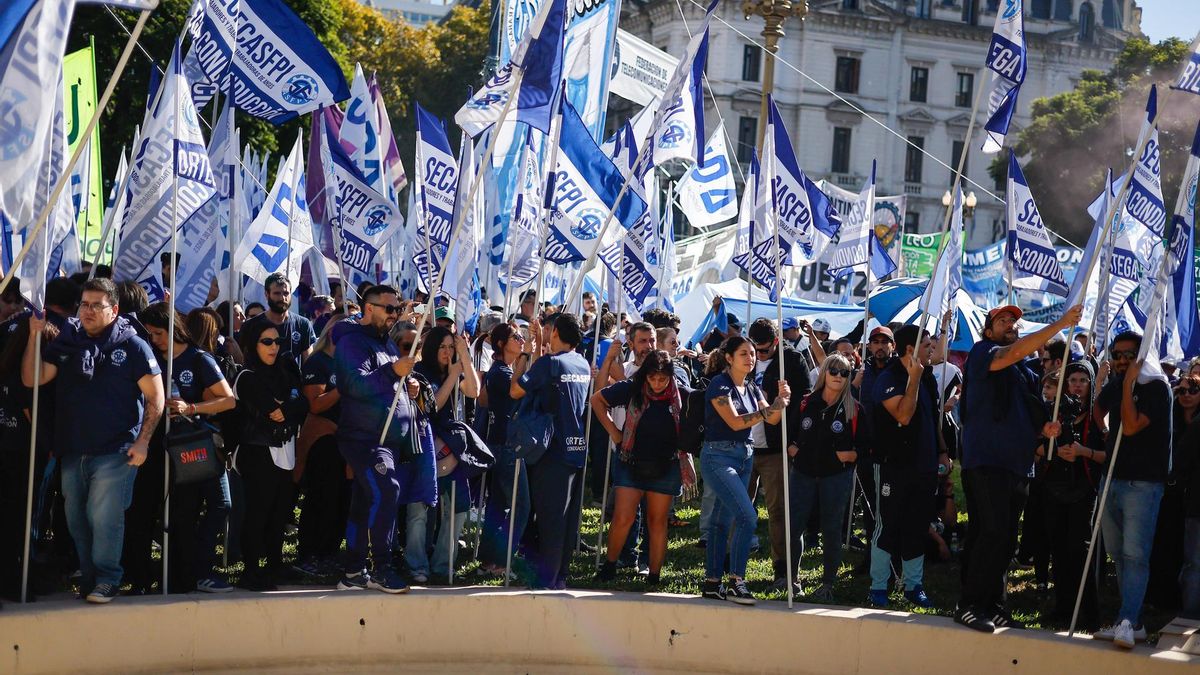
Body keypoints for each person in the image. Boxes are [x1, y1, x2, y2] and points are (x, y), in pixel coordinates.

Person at [22, 278, 164, 603]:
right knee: (76, 519)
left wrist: (143, 442)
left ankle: (107, 578)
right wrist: (33, 335)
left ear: (113, 310)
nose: (86, 311)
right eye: (83, 304)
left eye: (95, 305)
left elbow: (155, 398)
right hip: (73, 449)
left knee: (104, 517)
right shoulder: (69, 342)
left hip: (117, 451)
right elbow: (32, 378)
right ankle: (90, 578)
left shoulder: (133, 346)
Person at [956, 303, 1082, 633]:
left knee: (1008, 539)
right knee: (991, 531)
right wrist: (1061, 324)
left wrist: (1045, 429)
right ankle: (969, 604)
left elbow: (1031, 411)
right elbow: (1011, 354)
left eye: (1014, 321)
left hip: (1019, 465)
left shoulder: (1024, 371)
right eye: (1002, 320)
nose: (1010, 324)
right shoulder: (984, 352)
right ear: (988, 330)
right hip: (987, 460)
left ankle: (994, 605)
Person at [334, 285, 429, 593]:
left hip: (387, 439)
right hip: (364, 439)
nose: (394, 315)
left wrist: (408, 383)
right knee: (387, 490)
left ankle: (353, 570)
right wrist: (393, 371)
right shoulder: (351, 343)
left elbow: (389, 379)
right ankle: (382, 568)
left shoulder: (384, 343)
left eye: (396, 308)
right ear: (369, 308)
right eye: (389, 309)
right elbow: (354, 386)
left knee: (365, 502)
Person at [139, 302, 236, 593]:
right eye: (150, 334)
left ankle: (202, 567)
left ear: (173, 329)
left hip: (196, 444)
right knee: (180, 513)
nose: (154, 339)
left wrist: (191, 407)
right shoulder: (150, 358)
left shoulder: (198, 359)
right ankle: (182, 574)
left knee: (221, 503)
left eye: (158, 333)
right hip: (161, 446)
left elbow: (228, 400)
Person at [1092, 331, 1172, 648]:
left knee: (1135, 556)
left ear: (1141, 357)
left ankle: (1127, 619)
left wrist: (1127, 384)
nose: (1122, 360)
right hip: (1112, 479)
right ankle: (1132, 621)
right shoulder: (1114, 384)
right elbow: (1098, 410)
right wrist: (1104, 432)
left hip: (1143, 484)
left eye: (1129, 355)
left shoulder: (1156, 387)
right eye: (1118, 354)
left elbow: (1133, 423)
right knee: (1117, 554)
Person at [592, 350, 696, 586]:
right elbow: (597, 400)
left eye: (662, 379)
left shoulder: (683, 395)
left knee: (657, 521)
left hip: (666, 466)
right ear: (645, 376)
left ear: (671, 376)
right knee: (623, 517)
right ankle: (609, 566)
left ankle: (654, 576)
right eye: (652, 378)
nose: (657, 384)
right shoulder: (631, 388)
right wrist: (614, 434)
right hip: (630, 462)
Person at [700, 336, 790, 606]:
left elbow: (772, 417)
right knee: (748, 517)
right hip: (718, 457)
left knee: (720, 522)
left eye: (752, 353)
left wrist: (781, 400)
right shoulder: (719, 385)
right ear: (729, 357)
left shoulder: (751, 387)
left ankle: (712, 583)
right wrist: (769, 410)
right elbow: (736, 422)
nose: (750, 358)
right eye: (744, 354)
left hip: (745, 456)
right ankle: (736, 582)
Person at [511, 312, 591, 589]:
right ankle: (561, 575)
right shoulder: (581, 363)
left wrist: (525, 355)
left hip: (551, 450)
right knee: (567, 518)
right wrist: (541, 344)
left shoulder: (549, 363)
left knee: (549, 518)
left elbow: (516, 391)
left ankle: (548, 580)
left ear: (554, 331)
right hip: (576, 446)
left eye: (547, 329)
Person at [233, 316, 309, 591]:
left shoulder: (285, 372)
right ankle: (251, 570)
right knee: (258, 511)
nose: (274, 347)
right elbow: (272, 411)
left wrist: (287, 406)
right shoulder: (247, 376)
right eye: (267, 341)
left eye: (277, 341)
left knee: (279, 511)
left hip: (285, 449)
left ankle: (275, 564)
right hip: (257, 451)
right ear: (253, 344)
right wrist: (287, 406)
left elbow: (301, 404)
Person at [868, 324, 940, 610]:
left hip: (924, 467)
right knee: (887, 525)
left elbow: (932, 420)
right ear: (911, 349)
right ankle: (878, 586)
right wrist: (914, 379)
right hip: (893, 466)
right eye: (928, 347)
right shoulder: (888, 378)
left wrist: (943, 452)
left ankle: (913, 585)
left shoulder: (929, 378)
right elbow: (904, 415)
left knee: (917, 525)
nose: (932, 351)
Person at [788, 353, 868, 603]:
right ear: (823, 372)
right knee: (794, 527)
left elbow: (867, 446)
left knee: (832, 529)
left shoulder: (855, 409)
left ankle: (827, 583)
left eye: (845, 372)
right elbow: (788, 433)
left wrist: (853, 454)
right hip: (802, 474)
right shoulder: (804, 404)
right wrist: (792, 449)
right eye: (833, 370)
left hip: (836, 477)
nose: (838, 376)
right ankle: (791, 579)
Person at [746, 317, 812, 592]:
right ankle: (731, 566)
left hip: (776, 446)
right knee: (738, 509)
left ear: (775, 341)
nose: (757, 355)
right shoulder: (743, 356)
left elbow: (804, 401)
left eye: (762, 350)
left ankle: (783, 569)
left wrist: (795, 440)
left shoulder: (793, 360)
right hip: (745, 444)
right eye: (753, 349)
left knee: (778, 511)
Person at [410, 326, 480, 582]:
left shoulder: (455, 367)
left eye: (451, 347)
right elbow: (432, 406)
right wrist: (452, 376)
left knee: (458, 511)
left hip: (454, 453)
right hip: (425, 448)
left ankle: (442, 565)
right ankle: (416, 565)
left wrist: (465, 357)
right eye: (443, 347)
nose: (447, 351)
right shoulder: (420, 373)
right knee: (419, 511)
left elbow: (474, 391)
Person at [1040, 360, 1105, 627]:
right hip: (1054, 488)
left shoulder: (1098, 415)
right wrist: (1054, 449)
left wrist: (1083, 452)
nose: (1077, 386)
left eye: (1083, 381)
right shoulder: (1053, 412)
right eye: (1073, 380)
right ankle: (1063, 608)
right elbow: (1036, 447)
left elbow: (1108, 456)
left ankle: (1088, 613)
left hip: (1084, 489)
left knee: (1079, 550)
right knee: (1059, 550)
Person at [293, 317, 349, 578]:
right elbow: (314, 404)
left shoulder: (348, 361)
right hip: (323, 439)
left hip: (348, 439)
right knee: (321, 498)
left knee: (341, 500)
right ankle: (308, 554)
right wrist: (342, 388)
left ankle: (329, 553)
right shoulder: (318, 362)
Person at [477, 322, 529, 576]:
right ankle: (502, 561)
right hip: (507, 447)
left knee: (498, 504)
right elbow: (518, 390)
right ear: (501, 344)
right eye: (516, 337)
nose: (521, 340)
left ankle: (489, 561)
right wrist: (529, 356)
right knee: (521, 505)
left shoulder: (500, 370)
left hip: (499, 444)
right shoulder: (501, 373)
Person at [240, 273, 316, 368]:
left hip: (292, 382)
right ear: (267, 294)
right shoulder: (250, 326)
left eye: (286, 293)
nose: (282, 298)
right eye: (277, 293)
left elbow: (309, 364)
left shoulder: (303, 325)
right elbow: (244, 361)